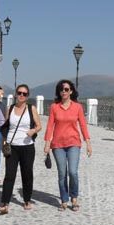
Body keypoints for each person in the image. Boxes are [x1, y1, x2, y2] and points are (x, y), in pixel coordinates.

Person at [43, 79, 92, 212]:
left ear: (71, 91)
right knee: (62, 173)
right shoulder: (54, 107)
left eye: (66, 89)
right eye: (61, 89)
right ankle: (64, 200)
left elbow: (83, 125)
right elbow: (49, 126)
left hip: (73, 143)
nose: (63, 91)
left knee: (73, 172)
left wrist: (88, 143)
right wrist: (47, 144)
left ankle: (74, 198)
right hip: (57, 144)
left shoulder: (77, 107)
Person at [0, 84, 42, 214]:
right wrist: (3, 142)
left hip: (27, 147)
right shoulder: (10, 108)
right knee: (9, 175)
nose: (22, 95)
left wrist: (33, 130)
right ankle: (5, 202)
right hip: (12, 146)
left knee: (27, 174)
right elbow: (5, 126)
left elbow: (39, 126)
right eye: (20, 93)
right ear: (16, 94)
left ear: (27, 96)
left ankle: (27, 200)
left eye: (24, 94)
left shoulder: (31, 108)